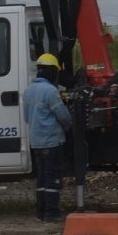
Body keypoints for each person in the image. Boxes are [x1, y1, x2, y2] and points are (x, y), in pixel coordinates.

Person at [23, 53, 72, 221]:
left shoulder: (28, 91)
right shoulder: (51, 91)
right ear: (52, 72)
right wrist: (69, 127)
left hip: (36, 142)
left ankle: (41, 212)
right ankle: (52, 213)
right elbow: (63, 117)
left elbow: (26, 118)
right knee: (53, 178)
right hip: (51, 142)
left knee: (42, 179)